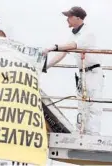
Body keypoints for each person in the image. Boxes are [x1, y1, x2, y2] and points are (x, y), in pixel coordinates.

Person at [43, 6, 104, 136]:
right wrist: (46, 66)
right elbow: (64, 52)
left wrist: (54, 47)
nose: (67, 20)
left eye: (69, 17)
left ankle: (93, 135)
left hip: (93, 72)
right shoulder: (73, 34)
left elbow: (73, 46)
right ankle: (82, 132)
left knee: (93, 103)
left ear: (77, 18)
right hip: (82, 73)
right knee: (82, 104)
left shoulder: (88, 33)